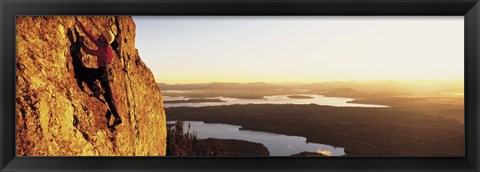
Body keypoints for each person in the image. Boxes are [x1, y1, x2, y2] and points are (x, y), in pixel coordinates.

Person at [77, 21, 122, 128]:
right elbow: (93, 38)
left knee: (84, 72)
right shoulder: (105, 46)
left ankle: (96, 89)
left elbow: (88, 51)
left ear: (104, 39)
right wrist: (83, 28)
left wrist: (81, 43)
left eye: (101, 35)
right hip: (108, 73)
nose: (99, 35)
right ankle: (117, 116)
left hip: (103, 72)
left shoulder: (104, 50)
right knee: (110, 97)